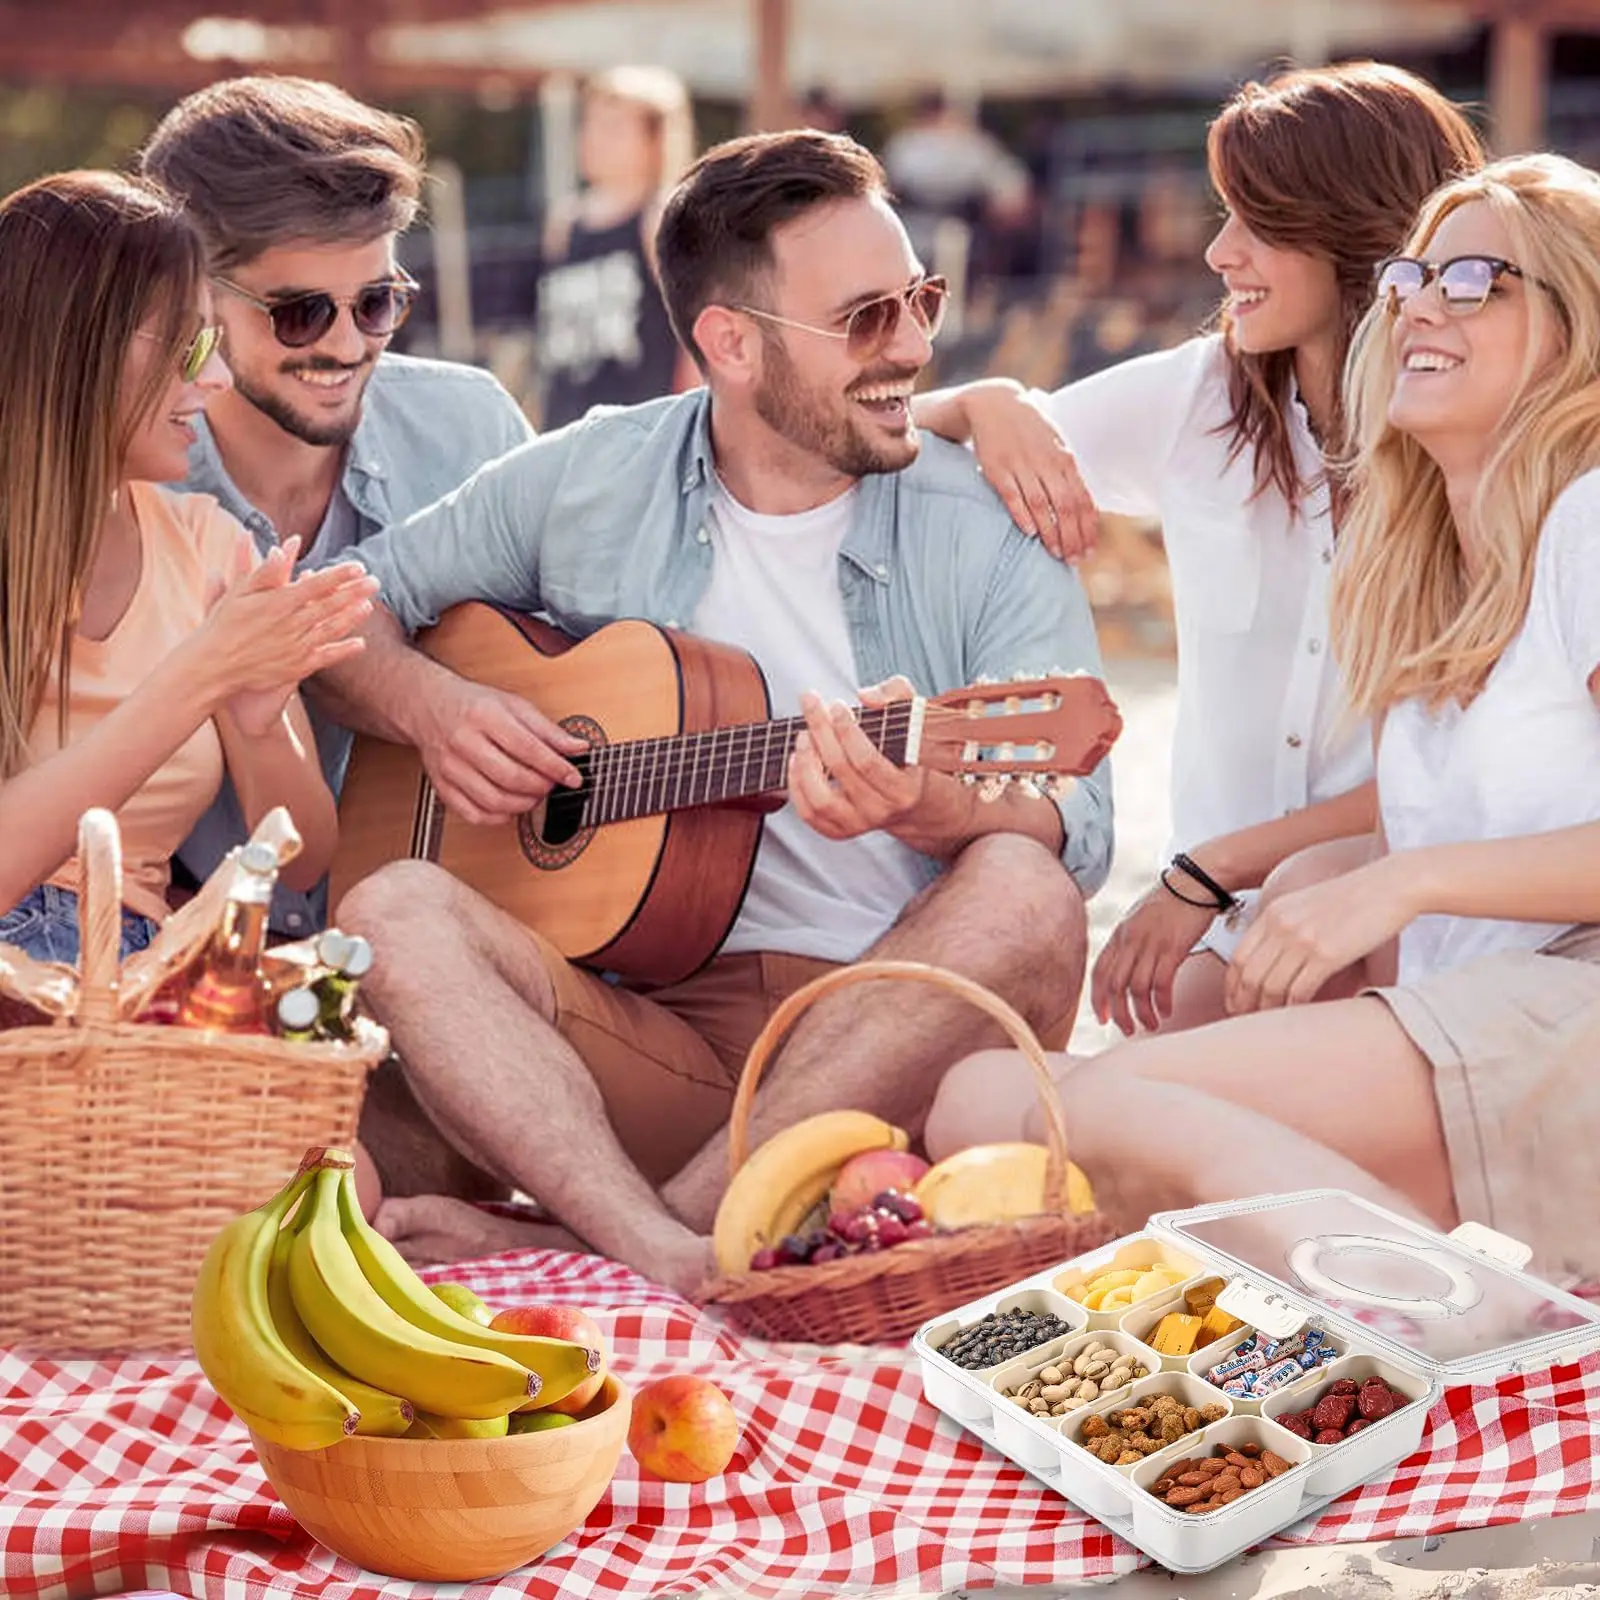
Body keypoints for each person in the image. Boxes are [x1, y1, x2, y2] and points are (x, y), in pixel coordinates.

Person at [315, 130, 1115, 1291]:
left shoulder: (989, 519)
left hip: (897, 1043)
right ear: (729, 343)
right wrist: (436, 708)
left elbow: (1076, 816)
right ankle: (655, 1240)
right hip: (653, 1045)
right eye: (865, 319)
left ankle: (597, 1243)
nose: (917, 344)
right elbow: (340, 613)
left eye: (921, 299)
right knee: (389, 906)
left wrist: (929, 806)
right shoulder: (594, 475)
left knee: (1024, 889)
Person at [928, 152, 1600, 1288]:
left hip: (1561, 1019)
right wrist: (1309, 881)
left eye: (1476, 279)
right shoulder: (1432, 564)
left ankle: (1462, 1315)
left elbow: (1432, 866)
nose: (1421, 303)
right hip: (1464, 1025)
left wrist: (1397, 881)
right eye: (1409, 277)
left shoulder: (1591, 520)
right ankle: (1404, 1267)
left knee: (1101, 1108)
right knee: (980, 1102)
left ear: (1579, 324)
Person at [914, 63, 1484, 1038]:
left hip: (1404, 912)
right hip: (1223, 929)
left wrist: (1205, 871)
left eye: (1256, 222)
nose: (1219, 253)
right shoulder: (1199, 397)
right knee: (1069, 1106)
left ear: (1356, 231)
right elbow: (898, 454)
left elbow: (1473, 767)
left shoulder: (1474, 437)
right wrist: (984, 402)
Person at [138, 75, 536, 941]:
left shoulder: (472, 429)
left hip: (449, 939)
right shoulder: (115, 480)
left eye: (379, 302)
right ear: (191, 295)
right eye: (300, 313)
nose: (348, 344)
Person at [0, 171, 374, 977]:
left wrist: (256, 713)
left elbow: (302, 864)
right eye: (187, 346)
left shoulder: (211, 548)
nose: (213, 379)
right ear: (76, 345)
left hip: (129, 974)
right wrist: (198, 676)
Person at [533, 65, 699, 428]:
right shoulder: (565, 223)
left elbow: (694, 337)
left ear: (656, 140)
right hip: (566, 429)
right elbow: (548, 345)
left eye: (614, 128)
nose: (594, 138)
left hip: (640, 431)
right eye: (589, 124)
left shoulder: (659, 219)